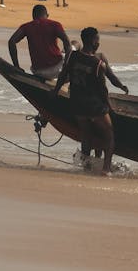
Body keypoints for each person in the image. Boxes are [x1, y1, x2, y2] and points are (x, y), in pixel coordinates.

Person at [54, 27, 128, 174]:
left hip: (77, 104)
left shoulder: (72, 57)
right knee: (109, 135)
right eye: (98, 40)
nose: (98, 42)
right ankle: (106, 169)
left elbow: (63, 75)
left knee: (86, 134)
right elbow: (103, 90)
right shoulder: (98, 64)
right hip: (94, 107)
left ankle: (86, 167)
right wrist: (110, 107)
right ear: (93, 41)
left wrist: (55, 91)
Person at [8, 4, 71, 80]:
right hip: (57, 69)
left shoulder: (26, 26)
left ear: (33, 16)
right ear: (47, 15)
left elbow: (11, 41)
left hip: (38, 71)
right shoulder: (55, 25)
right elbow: (67, 42)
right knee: (75, 44)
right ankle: (67, 83)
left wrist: (16, 66)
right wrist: (66, 66)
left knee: (65, 51)